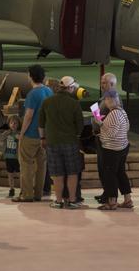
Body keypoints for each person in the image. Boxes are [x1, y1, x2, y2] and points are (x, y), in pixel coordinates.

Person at [38, 76, 84, 209]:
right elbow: (79, 125)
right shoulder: (74, 103)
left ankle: (58, 201)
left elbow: (41, 123)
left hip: (52, 143)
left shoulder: (47, 102)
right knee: (72, 172)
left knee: (57, 173)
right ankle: (72, 200)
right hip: (70, 142)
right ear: (70, 88)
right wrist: (76, 135)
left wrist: (42, 139)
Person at [13, 65, 53, 203]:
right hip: (45, 135)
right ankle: (38, 194)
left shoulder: (32, 94)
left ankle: (27, 194)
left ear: (30, 76)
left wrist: (22, 133)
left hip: (31, 134)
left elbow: (28, 116)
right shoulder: (49, 91)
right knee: (42, 166)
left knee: (26, 165)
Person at [98, 90, 133, 211]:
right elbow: (127, 127)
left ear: (111, 100)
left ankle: (112, 201)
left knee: (110, 175)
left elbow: (111, 133)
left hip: (112, 149)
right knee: (120, 173)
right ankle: (128, 199)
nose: (105, 103)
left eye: (106, 100)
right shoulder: (122, 112)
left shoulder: (113, 114)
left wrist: (100, 124)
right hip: (123, 147)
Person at [93, 72, 117, 204]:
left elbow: (105, 116)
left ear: (112, 84)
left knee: (105, 167)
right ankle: (106, 192)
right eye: (101, 82)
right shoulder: (106, 96)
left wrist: (96, 117)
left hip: (106, 137)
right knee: (102, 167)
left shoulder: (112, 97)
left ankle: (109, 194)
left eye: (104, 82)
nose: (102, 85)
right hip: (101, 136)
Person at [3, 115, 21, 198]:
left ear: (18, 124)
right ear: (9, 124)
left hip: (16, 157)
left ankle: (23, 188)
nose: (13, 124)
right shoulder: (7, 133)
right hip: (8, 157)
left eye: (15, 123)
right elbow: (1, 138)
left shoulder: (19, 134)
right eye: (11, 123)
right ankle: (11, 189)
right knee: (10, 174)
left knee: (19, 174)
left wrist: (19, 138)